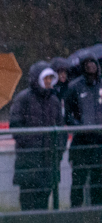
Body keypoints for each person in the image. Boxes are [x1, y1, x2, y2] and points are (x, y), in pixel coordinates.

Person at [10, 61, 64, 211]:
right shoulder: (23, 99)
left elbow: (60, 128)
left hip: (48, 160)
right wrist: (32, 145)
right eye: (45, 78)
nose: (48, 82)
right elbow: (16, 126)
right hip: (29, 160)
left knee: (44, 197)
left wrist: (58, 151)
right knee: (28, 199)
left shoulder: (54, 101)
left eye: (50, 78)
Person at [64, 55, 102, 207]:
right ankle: (76, 212)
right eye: (88, 64)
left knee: (98, 179)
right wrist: (79, 126)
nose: (91, 67)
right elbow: (66, 114)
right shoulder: (75, 87)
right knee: (79, 178)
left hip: (99, 141)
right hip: (82, 141)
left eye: (93, 64)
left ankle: (96, 212)